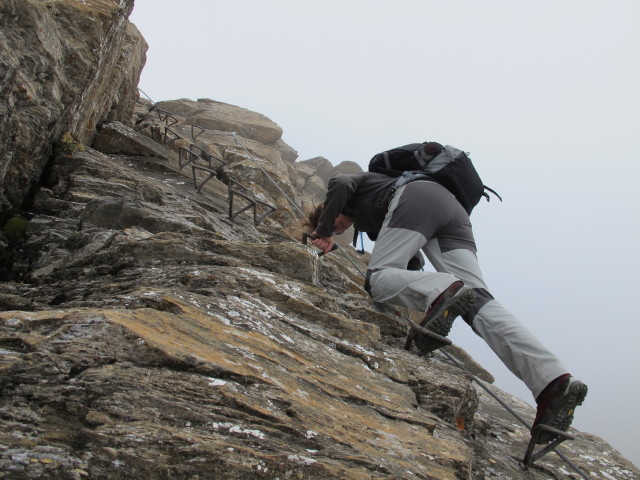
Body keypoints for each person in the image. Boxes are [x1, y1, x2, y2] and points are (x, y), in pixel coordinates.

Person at [306, 162, 587, 444]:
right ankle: (552, 381)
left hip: (416, 197)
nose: (340, 227)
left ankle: (443, 289)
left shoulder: (356, 188)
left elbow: (340, 182)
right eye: (338, 227)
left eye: (339, 222)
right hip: (452, 210)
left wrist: (324, 230)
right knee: (477, 300)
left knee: (377, 280)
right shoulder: (375, 219)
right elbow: (412, 261)